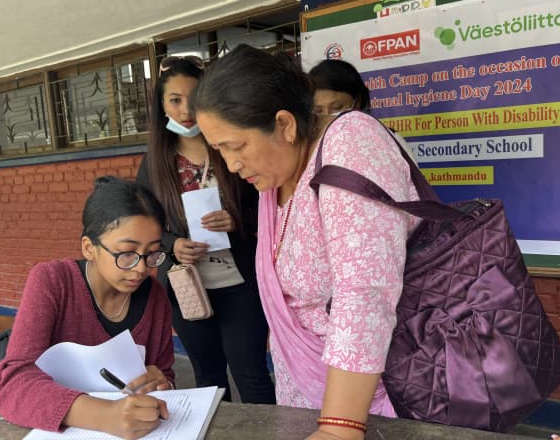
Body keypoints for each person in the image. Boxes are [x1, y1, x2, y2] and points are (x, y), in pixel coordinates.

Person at [191, 44, 421, 440]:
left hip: (378, 403)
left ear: (285, 125)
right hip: (308, 400)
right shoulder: (275, 182)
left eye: (236, 146)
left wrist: (338, 428)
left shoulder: (350, 144)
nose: (231, 165)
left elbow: (364, 292)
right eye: (219, 151)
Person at [136, 55, 275, 404]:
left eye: (193, 98)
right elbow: (145, 223)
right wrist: (171, 245)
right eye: (175, 100)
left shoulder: (232, 148)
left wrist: (238, 221)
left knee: (252, 375)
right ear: (161, 105)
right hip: (187, 288)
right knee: (208, 379)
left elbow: (271, 204)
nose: (186, 110)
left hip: (240, 283)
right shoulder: (155, 161)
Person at [0, 176, 175, 439]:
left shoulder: (154, 296)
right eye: (127, 252)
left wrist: (161, 383)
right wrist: (105, 415)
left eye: (152, 253)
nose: (141, 268)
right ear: (89, 248)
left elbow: (166, 374)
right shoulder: (53, 281)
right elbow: (13, 384)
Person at [309, 58, 418, 163]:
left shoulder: (388, 141)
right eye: (318, 111)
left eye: (337, 107)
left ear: (357, 102)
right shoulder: (307, 148)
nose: (328, 117)